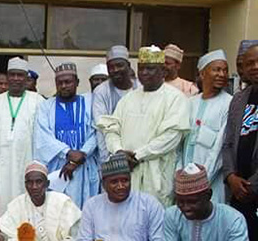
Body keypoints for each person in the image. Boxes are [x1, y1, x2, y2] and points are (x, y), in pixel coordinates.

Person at [98, 46, 190, 206]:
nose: (144, 73)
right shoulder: (129, 98)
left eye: (150, 69)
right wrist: (119, 152)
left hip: (156, 174)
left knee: (154, 221)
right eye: (141, 69)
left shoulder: (176, 99)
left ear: (163, 71)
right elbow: (111, 129)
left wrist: (138, 156)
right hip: (127, 173)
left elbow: (171, 137)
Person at [0, 57, 44, 206]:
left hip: (28, 162)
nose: (16, 79)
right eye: (12, 75)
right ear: (8, 76)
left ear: (26, 78)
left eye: (20, 75)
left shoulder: (38, 102)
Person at [34, 62, 99, 208]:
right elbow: (43, 137)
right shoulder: (46, 107)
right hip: (58, 169)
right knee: (56, 211)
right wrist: (68, 152)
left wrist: (80, 155)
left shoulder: (90, 103)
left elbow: (97, 132)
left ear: (77, 82)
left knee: (84, 210)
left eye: (68, 82)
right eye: (60, 83)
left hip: (84, 167)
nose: (63, 86)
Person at [222, 42, 258, 241]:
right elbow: (227, 143)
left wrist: (253, 185)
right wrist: (230, 177)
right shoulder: (238, 99)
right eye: (250, 63)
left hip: (252, 189)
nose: (255, 67)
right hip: (238, 192)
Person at [179, 50, 231, 204]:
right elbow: (180, 144)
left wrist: (200, 183)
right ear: (202, 74)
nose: (222, 74)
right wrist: (180, 176)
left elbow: (220, 149)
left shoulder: (230, 103)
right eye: (216, 69)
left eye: (225, 70)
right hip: (183, 180)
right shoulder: (190, 103)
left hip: (211, 184)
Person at [92, 45, 138, 161]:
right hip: (112, 154)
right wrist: (113, 155)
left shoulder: (140, 88)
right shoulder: (101, 91)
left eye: (119, 65)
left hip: (139, 153)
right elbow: (103, 125)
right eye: (111, 67)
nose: (115, 70)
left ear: (128, 66)